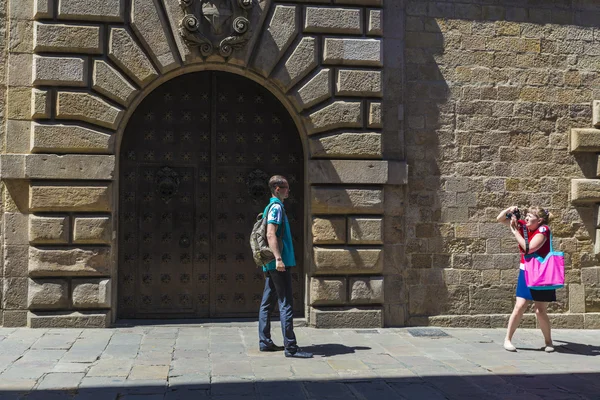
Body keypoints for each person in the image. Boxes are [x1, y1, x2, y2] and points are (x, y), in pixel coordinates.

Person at [258, 175, 313, 358]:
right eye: (286, 187)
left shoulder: (270, 207)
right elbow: (271, 234)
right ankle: (291, 347)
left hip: (271, 263)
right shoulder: (276, 208)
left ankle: (264, 342)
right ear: (277, 189)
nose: (289, 190)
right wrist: (279, 259)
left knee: (267, 303)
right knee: (286, 303)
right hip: (278, 264)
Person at [497, 206, 555, 353]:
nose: (527, 218)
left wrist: (515, 231)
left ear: (540, 220)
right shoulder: (524, 226)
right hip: (526, 271)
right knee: (520, 305)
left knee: (539, 310)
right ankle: (508, 339)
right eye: (526, 215)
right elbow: (500, 219)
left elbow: (529, 248)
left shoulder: (543, 230)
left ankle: (548, 342)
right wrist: (509, 210)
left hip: (542, 273)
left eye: (530, 216)